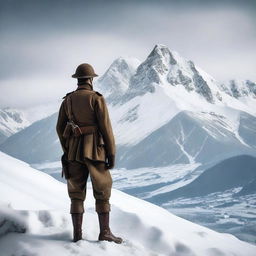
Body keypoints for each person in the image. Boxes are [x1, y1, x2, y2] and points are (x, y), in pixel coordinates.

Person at [56, 63, 122, 244]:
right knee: (102, 191)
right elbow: (106, 128)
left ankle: (77, 236)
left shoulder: (67, 100)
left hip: (73, 152)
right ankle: (105, 233)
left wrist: (67, 150)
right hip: (95, 151)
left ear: (77, 79)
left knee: (76, 193)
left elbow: (59, 128)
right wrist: (111, 154)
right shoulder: (96, 98)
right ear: (91, 79)